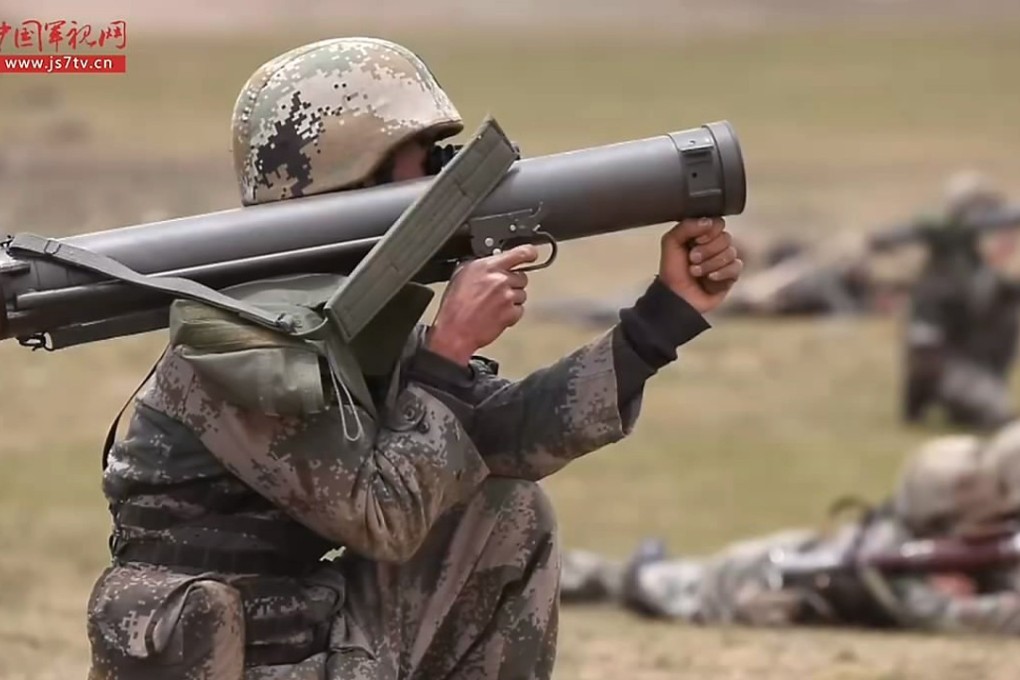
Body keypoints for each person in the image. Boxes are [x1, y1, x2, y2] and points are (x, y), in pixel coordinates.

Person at [83, 37, 744, 679]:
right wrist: (448, 352)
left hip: (314, 644)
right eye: (423, 157)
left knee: (507, 513)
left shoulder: (343, 318)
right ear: (351, 172)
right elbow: (383, 519)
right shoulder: (242, 345)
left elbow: (500, 438)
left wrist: (661, 319)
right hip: (239, 659)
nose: (442, 175)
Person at [561, 430, 1020, 634]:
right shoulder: (889, 562)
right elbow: (962, 617)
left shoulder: (916, 549)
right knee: (638, 582)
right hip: (754, 578)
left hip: (783, 557)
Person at [902, 171, 1020, 430]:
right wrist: (914, 411)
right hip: (951, 373)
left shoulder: (988, 275)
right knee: (993, 407)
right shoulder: (940, 277)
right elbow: (924, 354)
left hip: (983, 371)